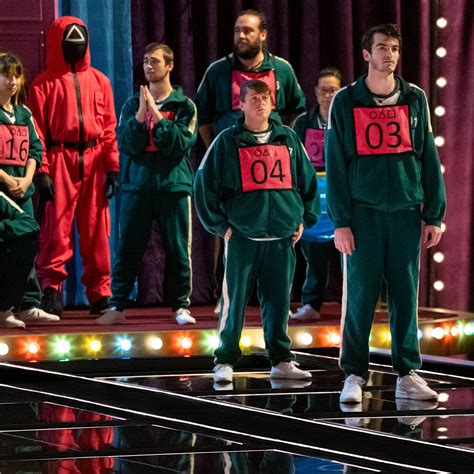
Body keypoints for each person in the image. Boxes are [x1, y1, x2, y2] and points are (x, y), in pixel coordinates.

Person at [325, 24, 446, 403]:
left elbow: (428, 156)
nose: (389, 54)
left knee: (406, 297)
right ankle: (353, 374)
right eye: (381, 48)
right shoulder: (346, 101)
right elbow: (335, 163)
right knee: (360, 298)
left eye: (394, 47)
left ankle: (407, 372)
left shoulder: (415, 97)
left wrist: (434, 214)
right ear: (366, 54)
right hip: (363, 215)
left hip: (406, 213)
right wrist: (341, 221)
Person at [194, 79, 319, 383]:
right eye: (253, 99)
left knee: (279, 303)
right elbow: (203, 184)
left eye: (265, 98)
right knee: (233, 301)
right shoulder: (227, 141)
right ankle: (224, 360)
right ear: (241, 104)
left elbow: (308, 181)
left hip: (281, 238)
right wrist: (221, 226)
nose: (261, 103)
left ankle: (281, 359)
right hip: (243, 236)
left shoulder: (288, 138)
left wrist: (304, 218)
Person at [195, 9, 306, 311]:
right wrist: (219, 150)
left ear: (263, 34)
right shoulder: (218, 71)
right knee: (230, 229)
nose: (241, 36)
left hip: (274, 165)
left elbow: (296, 111)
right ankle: (226, 296)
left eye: (248, 30)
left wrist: (280, 144)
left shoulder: (281, 69)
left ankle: (277, 300)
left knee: (276, 226)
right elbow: (202, 116)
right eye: (237, 30)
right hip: (234, 165)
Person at [96, 43, 197, 326]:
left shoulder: (184, 105)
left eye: (155, 61)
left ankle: (180, 306)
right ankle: (117, 305)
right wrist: (141, 117)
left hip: (173, 187)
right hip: (136, 186)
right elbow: (126, 144)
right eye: (145, 61)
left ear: (170, 65)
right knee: (127, 248)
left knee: (178, 249)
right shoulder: (132, 105)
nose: (148, 66)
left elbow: (178, 145)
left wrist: (158, 116)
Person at [28, 17, 120, 317]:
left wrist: (112, 167)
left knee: (97, 231)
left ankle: (100, 293)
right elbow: (37, 133)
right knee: (55, 230)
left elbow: (108, 128)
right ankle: (51, 289)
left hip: (94, 160)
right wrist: (42, 171)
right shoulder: (42, 84)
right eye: (69, 41)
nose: (75, 46)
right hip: (59, 160)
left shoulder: (100, 81)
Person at [0, 52, 59, 328]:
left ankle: (28, 303)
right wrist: (7, 179)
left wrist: (27, 179)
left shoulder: (24, 113)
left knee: (28, 243)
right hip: (4, 188)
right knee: (11, 245)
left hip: (22, 188)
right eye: (6, 75)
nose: (12, 82)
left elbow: (36, 148)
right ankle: (6, 305)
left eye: (16, 76)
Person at [292, 67, 342, 320]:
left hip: (341, 192)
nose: (328, 95)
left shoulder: (347, 119)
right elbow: (294, 158)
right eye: (324, 90)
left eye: (333, 90)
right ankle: (311, 304)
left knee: (350, 251)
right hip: (313, 193)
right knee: (314, 253)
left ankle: (356, 302)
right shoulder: (303, 122)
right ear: (315, 92)